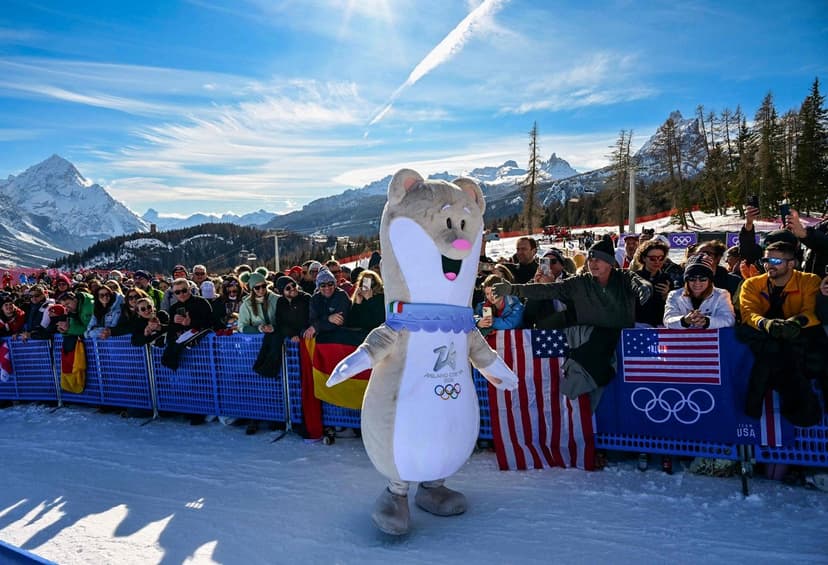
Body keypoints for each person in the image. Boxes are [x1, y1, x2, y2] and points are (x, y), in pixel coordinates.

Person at [492, 235, 653, 406]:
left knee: (622, 396)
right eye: (590, 259)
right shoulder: (581, 282)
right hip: (589, 341)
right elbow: (547, 290)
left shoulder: (624, 277)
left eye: (598, 260)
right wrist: (513, 290)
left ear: (609, 262)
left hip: (623, 343)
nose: (593, 263)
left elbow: (639, 282)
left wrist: (644, 287)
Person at [737, 241, 825, 426]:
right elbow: (748, 314)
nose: (769, 265)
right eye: (766, 260)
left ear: (791, 263)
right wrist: (766, 323)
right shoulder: (752, 284)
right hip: (767, 339)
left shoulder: (809, 280)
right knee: (767, 348)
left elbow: (811, 312)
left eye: (776, 261)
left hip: (801, 339)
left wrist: (796, 322)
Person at [663, 254, 735, 329]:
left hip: (711, 336)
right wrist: (684, 321)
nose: (697, 283)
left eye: (702, 279)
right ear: (686, 280)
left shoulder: (721, 295)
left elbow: (729, 320)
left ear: (709, 280)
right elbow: (668, 320)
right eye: (692, 279)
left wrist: (707, 321)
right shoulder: (674, 295)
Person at [523, 249, 572, 330]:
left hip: (570, 327)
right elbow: (528, 315)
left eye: (553, 261)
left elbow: (576, 305)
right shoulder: (534, 283)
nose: (549, 265)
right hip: (547, 331)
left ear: (562, 265)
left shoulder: (572, 280)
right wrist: (537, 288)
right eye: (544, 262)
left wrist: (552, 286)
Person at [632, 239, 674, 327]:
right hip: (639, 324)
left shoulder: (666, 278)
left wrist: (667, 295)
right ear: (643, 258)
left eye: (661, 258)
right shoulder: (634, 277)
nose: (657, 262)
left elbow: (674, 306)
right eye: (652, 258)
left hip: (661, 324)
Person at [303, 268, 351, 340]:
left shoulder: (341, 296)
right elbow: (312, 320)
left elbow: (339, 322)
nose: (327, 288)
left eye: (330, 284)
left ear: (334, 284)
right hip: (322, 337)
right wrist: (328, 318)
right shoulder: (315, 299)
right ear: (318, 287)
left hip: (341, 337)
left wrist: (317, 326)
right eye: (323, 285)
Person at [347, 269, 385, 336]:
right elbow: (351, 323)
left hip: (376, 334)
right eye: (364, 281)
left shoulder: (381, 297)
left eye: (370, 281)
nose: (367, 284)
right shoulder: (359, 297)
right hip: (360, 334)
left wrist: (370, 300)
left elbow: (380, 320)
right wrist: (357, 304)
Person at [274, 275, 310, 342]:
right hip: (289, 336)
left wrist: (299, 333)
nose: (292, 288)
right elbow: (279, 322)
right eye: (288, 288)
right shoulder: (281, 301)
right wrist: (291, 334)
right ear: (282, 292)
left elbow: (309, 319)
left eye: (293, 285)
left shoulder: (305, 298)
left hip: (306, 336)